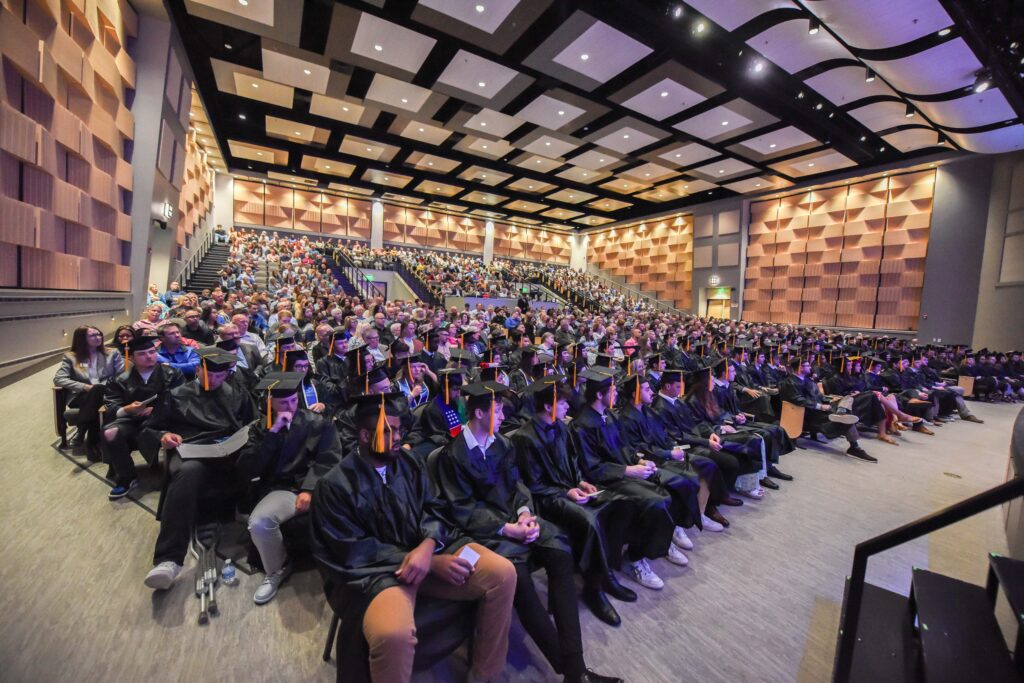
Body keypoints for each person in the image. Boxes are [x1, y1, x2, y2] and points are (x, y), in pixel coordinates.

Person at [309, 393, 517, 683]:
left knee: (503, 573)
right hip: (378, 574)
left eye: (398, 429)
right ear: (366, 435)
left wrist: (429, 545)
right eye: (388, 431)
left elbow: (434, 507)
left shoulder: (409, 462)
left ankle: (484, 674)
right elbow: (352, 552)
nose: (397, 437)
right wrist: (429, 563)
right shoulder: (335, 486)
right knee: (392, 633)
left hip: (427, 549)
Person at [434, 381, 621, 683]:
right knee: (518, 579)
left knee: (561, 554)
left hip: (517, 521)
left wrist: (524, 514)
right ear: (479, 413)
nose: (503, 416)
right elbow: (462, 509)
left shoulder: (501, 444)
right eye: (497, 410)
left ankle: (575, 665)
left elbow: (518, 485)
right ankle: (574, 672)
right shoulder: (452, 455)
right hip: (485, 534)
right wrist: (508, 528)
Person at [513, 378, 639, 627]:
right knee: (590, 520)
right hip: (548, 499)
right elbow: (533, 485)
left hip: (570, 490)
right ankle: (595, 588)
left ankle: (606, 572)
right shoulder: (524, 438)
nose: (567, 408)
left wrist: (580, 482)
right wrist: (567, 492)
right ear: (548, 406)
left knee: (622, 504)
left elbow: (573, 463)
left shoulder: (561, 427)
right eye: (562, 404)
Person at [142, 347, 256, 590]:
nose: (213, 380)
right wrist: (165, 435)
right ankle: (168, 560)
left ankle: (245, 508)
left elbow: (252, 424)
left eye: (219, 376)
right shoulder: (176, 394)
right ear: (197, 369)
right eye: (208, 374)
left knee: (254, 456)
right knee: (188, 472)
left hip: (228, 450)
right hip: (193, 452)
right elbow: (151, 427)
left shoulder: (237, 393)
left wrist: (245, 437)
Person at [570, 368, 686, 591]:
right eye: (611, 390)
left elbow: (625, 447)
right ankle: (636, 558)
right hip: (605, 482)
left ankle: (655, 542)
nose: (616, 394)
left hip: (623, 472)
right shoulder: (582, 424)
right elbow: (591, 467)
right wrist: (628, 470)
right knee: (655, 500)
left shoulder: (610, 415)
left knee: (667, 487)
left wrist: (639, 462)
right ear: (598, 394)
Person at [237, 373, 343, 604]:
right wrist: (273, 432)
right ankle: (277, 568)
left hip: (316, 484)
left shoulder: (318, 423)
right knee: (260, 523)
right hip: (280, 489)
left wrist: (310, 489)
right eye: (283, 402)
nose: (290, 406)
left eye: (294, 400)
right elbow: (251, 468)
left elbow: (329, 458)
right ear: (270, 402)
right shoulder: (259, 429)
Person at [101, 336, 184, 499]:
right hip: (133, 422)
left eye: (152, 352)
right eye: (142, 354)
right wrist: (128, 409)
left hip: (164, 421)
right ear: (131, 357)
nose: (149, 356)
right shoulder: (120, 380)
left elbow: (182, 399)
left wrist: (157, 409)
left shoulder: (172, 373)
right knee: (110, 432)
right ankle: (127, 477)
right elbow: (111, 405)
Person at [781, 358, 875, 462]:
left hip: (823, 407)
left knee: (848, 398)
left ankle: (841, 412)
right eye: (807, 366)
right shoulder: (790, 382)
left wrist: (829, 400)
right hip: (810, 413)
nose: (810, 367)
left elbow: (819, 396)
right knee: (846, 419)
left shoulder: (807, 380)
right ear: (800, 367)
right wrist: (820, 406)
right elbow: (798, 400)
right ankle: (855, 447)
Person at [54, 326, 124, 460]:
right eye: (93, 335)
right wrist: (84, 386)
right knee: (95, 396)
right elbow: (59, 379)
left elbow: (121, 375)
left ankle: (82, 431)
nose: (98, 337)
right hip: (80, 396)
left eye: (99, 334)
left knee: (97, 390)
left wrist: (101, 386)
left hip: (106, 392)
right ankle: (92, 444)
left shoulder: (112, 353)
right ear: (81, 339)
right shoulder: (71, 357)